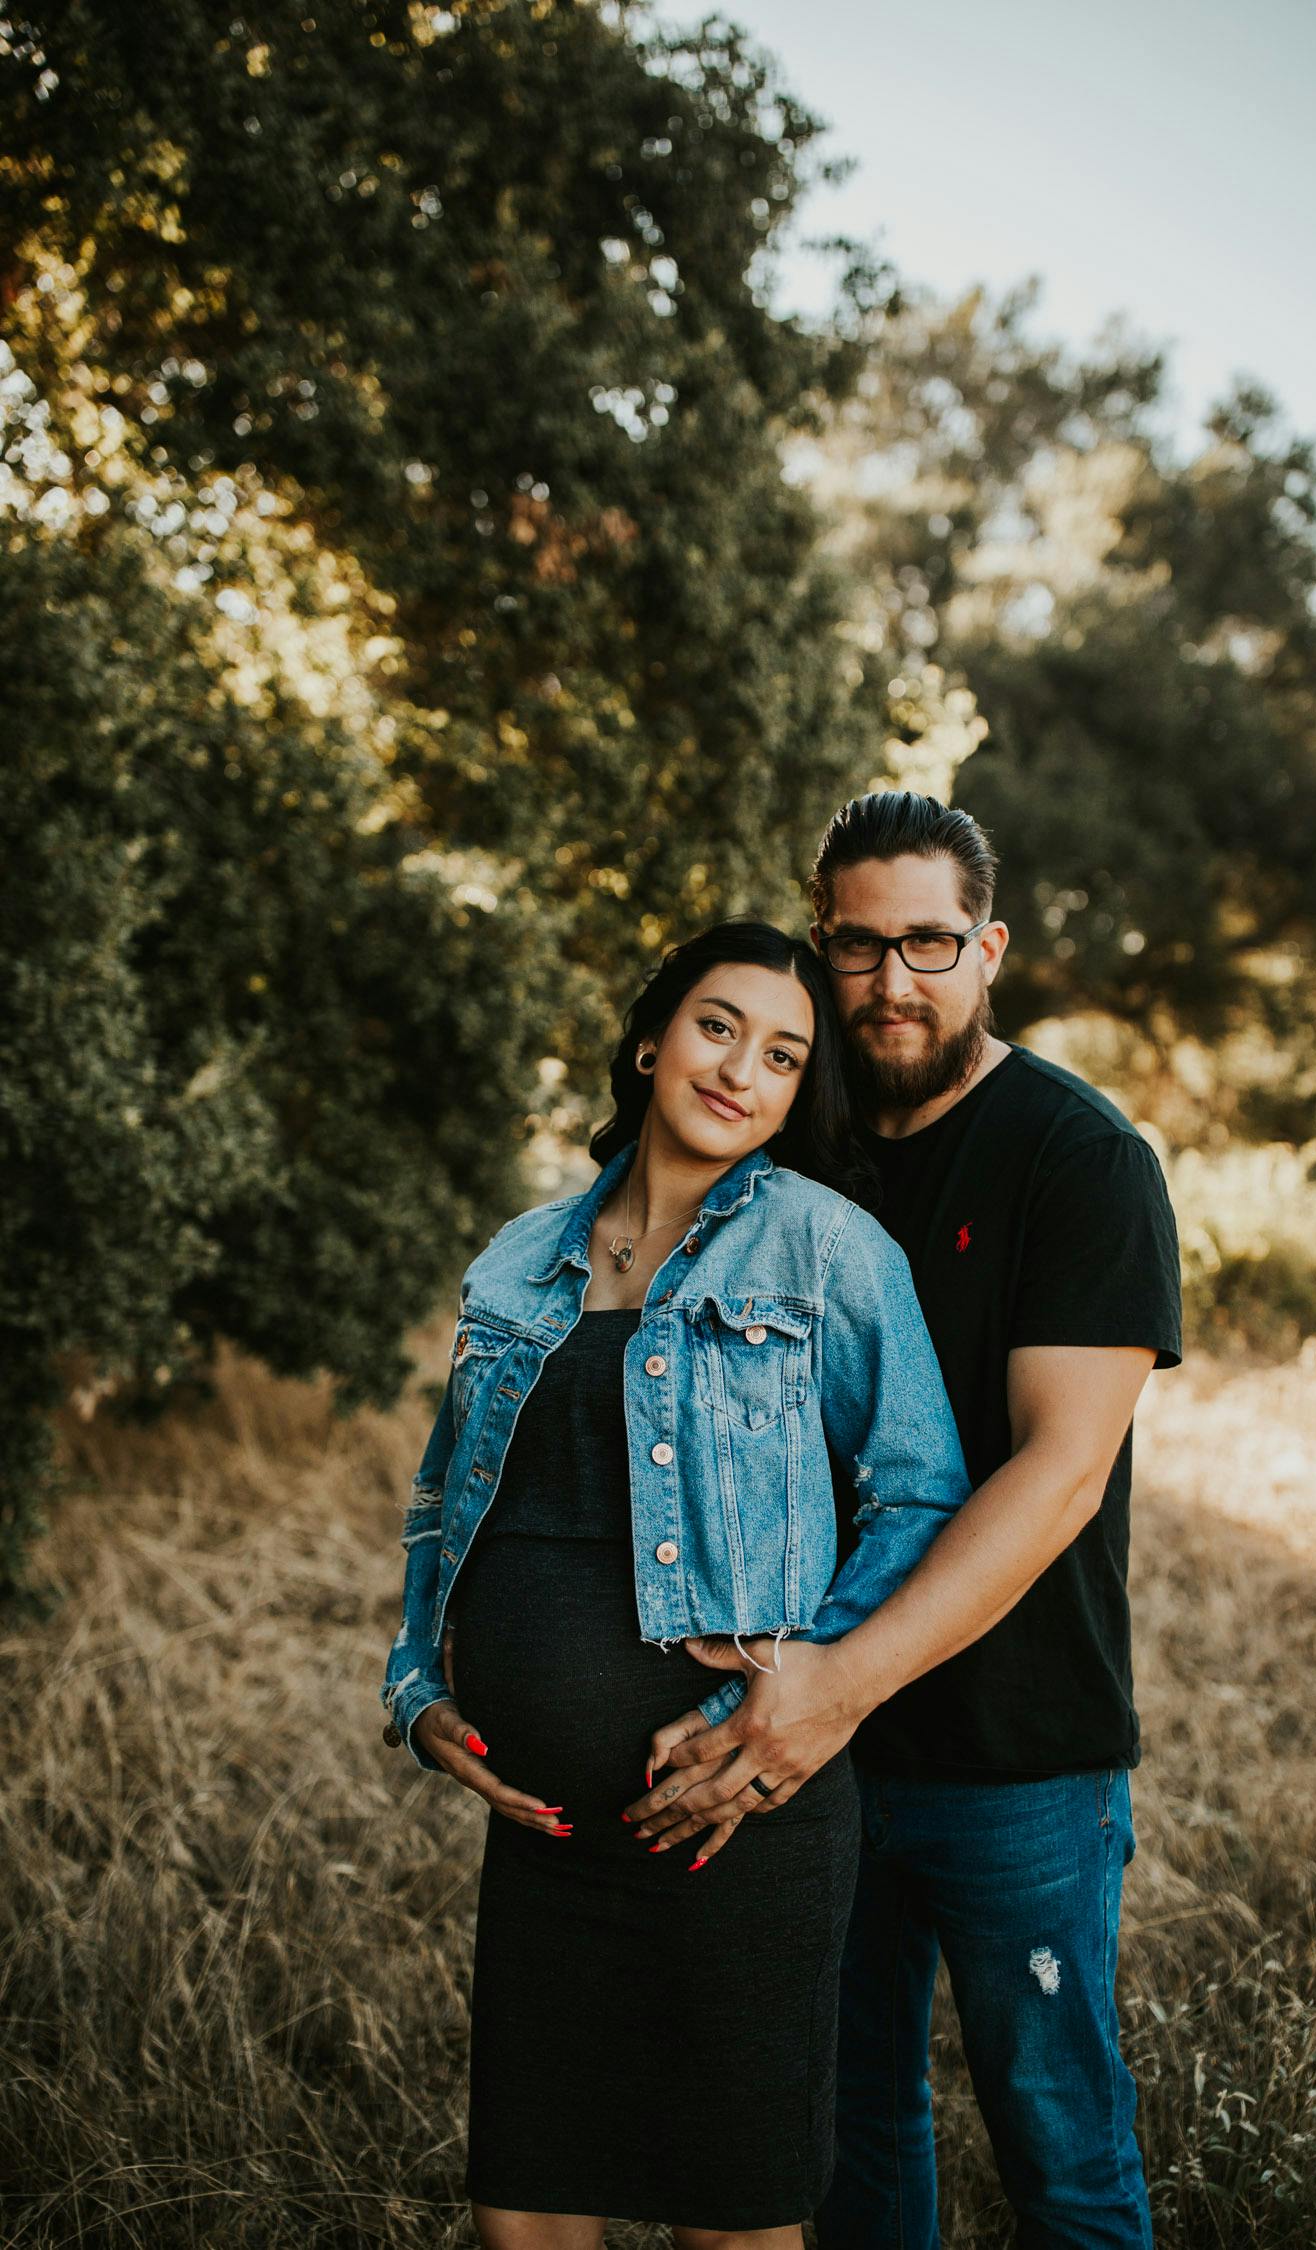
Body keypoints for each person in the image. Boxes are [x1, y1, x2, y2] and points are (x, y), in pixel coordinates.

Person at [625, 795, 1183, 2250]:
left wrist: (836, 1687)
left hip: (1016, 1752)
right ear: (819, 949)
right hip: (803, 1748)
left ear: (987, 949)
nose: (892, 982)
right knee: (848, 2139)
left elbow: (1059, 1473)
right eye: (858, 945)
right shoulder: (784, 1155)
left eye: (929, 942)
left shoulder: (1079, 1157)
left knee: (1063, 2153)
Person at [378, 917, 977, 2250]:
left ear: (799, 1092)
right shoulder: (517, 1256)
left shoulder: (828, 1251)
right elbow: (443, 1501)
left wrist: (800, 1685)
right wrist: (418, 1689)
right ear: (652, 1040)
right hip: (545, 1843)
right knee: (525, 2211)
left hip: (733, 1827)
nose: (740, 1070)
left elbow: (918, 1493)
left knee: (734, 2223)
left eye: (784, 1055)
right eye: (718, 1026)